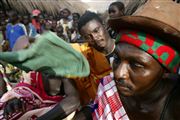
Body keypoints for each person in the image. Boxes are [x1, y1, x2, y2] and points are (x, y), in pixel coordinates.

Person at [92, 0, 180, 120]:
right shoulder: (109, 89)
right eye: (117, 59)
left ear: (166, 71)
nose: (118, 74)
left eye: (136, 65)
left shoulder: (175, 104)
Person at [0, 31, 90, 120]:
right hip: (39, 104)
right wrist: (15, 99)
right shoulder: (33, 73)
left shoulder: (61, 68)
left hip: (58, 109)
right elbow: (24, 90)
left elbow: (73, 100)